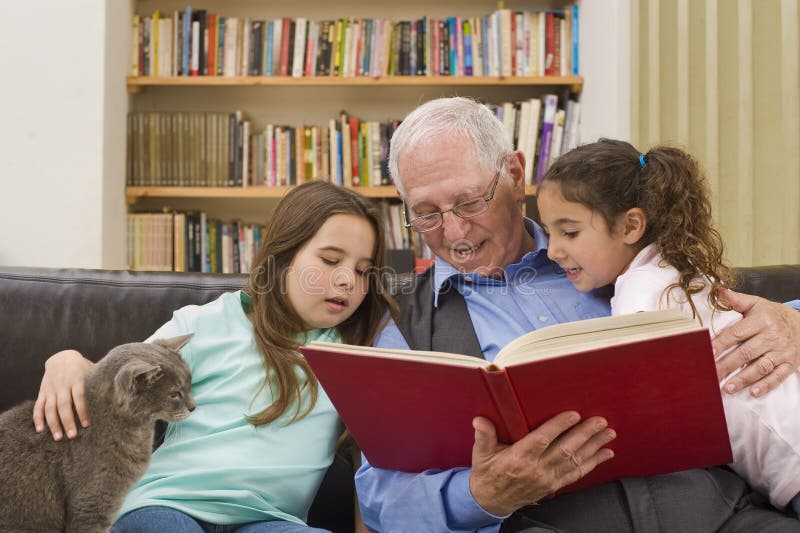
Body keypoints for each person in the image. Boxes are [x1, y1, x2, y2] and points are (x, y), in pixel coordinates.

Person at [355, 97, 800, 532]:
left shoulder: (614, 252)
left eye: (470, 202)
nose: (453, 232)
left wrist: (791, 321)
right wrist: (481, 494)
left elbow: (716, 303)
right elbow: (379, 497)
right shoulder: (406, 328)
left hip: (723, 513)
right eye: (427, 214)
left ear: (513, 174)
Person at [32, 181, 395, 532]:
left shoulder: (354, 355)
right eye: (331, 260)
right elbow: (122, 384)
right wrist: (66, 360)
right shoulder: (203, 324)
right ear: (282, 257)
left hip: (269, 520)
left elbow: (374, 468)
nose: (349, 279)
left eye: (363, 271)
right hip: (168, 504)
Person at [536, 138, 800, 519]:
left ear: (630, 225)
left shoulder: (641, 291)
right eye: (549, 232)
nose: (553, 251)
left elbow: (630, 397)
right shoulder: (675, 268)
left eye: (570, 233)